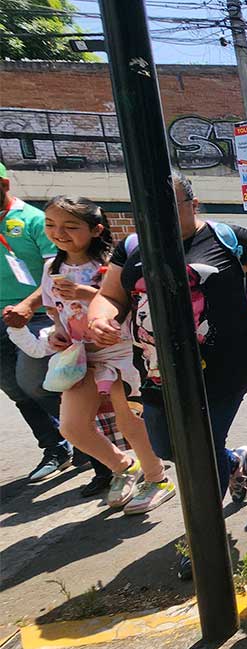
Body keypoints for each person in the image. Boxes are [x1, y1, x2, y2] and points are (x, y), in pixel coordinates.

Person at [89, 173, 247, 576]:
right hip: (156, 372)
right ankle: (234, 460)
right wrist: (101, 318)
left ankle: (202, 539)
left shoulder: (229, 238)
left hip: (225, 369)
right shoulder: (132, 247)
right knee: (168, 447)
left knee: (200, 448)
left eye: (172, 206)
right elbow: (110, 296)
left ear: (194, 204)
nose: (160, 216)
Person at [40, 196, 175, 513]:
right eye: (51, 225)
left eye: (70, 226)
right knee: (71, 427)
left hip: (122, 352)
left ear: (96, 228)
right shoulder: (51, 267)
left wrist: (87, 293)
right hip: (79, 358)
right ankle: (123, 467)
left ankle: (157, 479)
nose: (59, 233)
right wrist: (59, 332)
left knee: (131, 422)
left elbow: (128, 301)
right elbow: (53, 309)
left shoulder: (111, 264)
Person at [0, 163, 77, 482]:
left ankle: (84, 437)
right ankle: (56, 446)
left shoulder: (32, 220)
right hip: (3, 319)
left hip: (35, 316)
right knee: (16, 389)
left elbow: (54, 271)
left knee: (38, 383)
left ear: (4, 184)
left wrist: (28, 306)